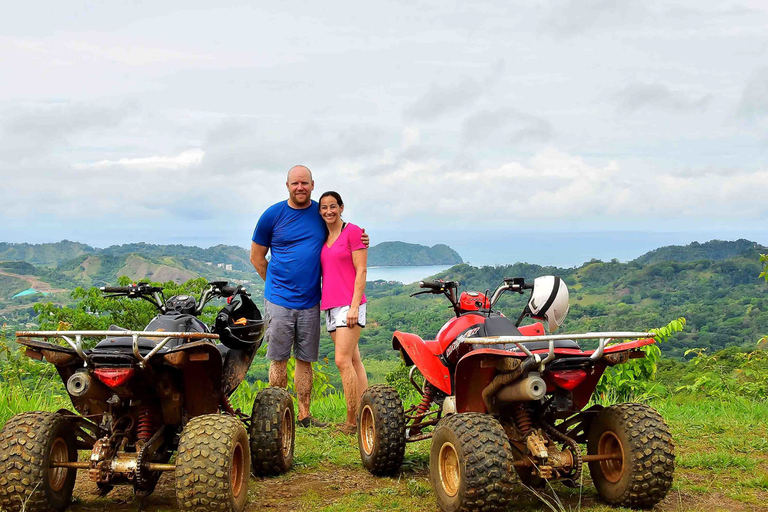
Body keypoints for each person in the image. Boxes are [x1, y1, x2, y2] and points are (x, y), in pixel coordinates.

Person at [250, 165, 368, 428]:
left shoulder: (319, 213)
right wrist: (277, 287)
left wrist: (361, 238)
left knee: (305, 358)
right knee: (278, 358)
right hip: (279, 299)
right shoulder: (272, 215)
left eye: (304, 183)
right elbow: (257, 258)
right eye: (295, 183)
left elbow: (341, 233)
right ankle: (278, 414)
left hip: (312, 300)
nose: (300, 187)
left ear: (312, 185)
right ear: (287, 185)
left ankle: (304, 415)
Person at [318, 191, 368, 434]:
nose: (329, 211)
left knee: (342, 360)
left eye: (333, 206)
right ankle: (366, 414)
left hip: (349, 305)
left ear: (341, 207)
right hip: (329, 305)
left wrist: (355, 307)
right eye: (324, 207)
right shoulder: (323, 235)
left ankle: (350, 422)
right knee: (354, 360)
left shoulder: (353, 231)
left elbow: (361, 270)